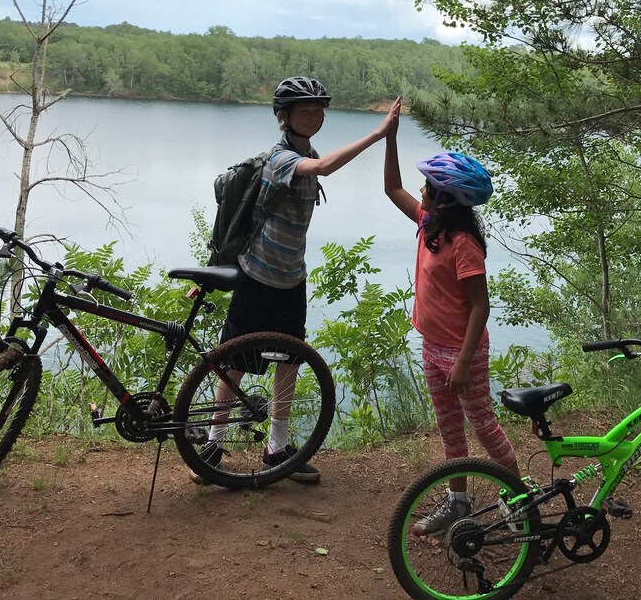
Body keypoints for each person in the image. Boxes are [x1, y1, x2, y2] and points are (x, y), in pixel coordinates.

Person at [193, 77, 401, 484]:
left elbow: (320, 163)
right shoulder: (280, 159)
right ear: (283, 118)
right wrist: (378, 134)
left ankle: (277, 448)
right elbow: (322, 168)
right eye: (304, 110)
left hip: (292, 278)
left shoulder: (309, 152)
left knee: (289, 361)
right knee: (233, 362)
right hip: (257, 277)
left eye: (318, 110)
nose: (314, 116)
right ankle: (214, 445)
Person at [383, 122, 520, 534]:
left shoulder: (463, 243)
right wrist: (389, 138)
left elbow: (481, 306)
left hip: (465, 352)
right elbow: (393, 188)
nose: (421, 189)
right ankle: (457, 501)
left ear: (445, 197)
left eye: (428, 185)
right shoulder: (429, 225)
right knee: (449, 427)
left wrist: (461, 362)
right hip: (432, 347)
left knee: (484, 425)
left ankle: (517, 494)